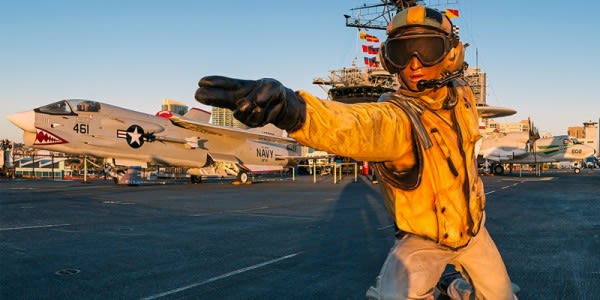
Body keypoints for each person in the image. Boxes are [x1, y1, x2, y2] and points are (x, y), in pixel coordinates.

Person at [195, 5, 516, 299]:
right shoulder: (398, 119)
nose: (414, 63)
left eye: (428, 49)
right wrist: (290, 109)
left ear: (451, 55)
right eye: (402, 52)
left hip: (473, 231)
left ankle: (457, 289)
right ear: (390, 60)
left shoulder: (462, 96)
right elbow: (352, 125)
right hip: (424, 240)